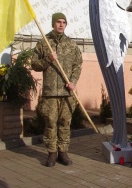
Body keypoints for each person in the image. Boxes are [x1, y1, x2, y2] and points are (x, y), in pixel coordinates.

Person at [31, 12, 83, 167]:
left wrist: (73, 82)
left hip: (67, 93)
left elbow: (77, 65)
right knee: (51, 124)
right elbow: (34, 64)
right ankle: (52, 153)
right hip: (50, 93)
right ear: (53, 24)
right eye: (58, 22)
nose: (61, 25)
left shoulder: (72, 44)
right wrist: (49, 59)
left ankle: (63, 152)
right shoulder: (44, 43)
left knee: (65, 124)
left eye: (64, 22)